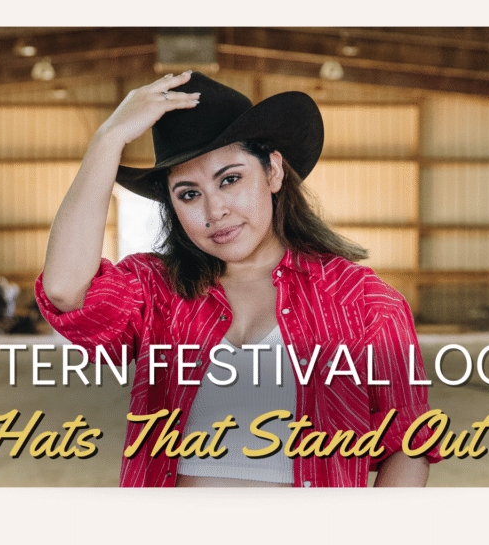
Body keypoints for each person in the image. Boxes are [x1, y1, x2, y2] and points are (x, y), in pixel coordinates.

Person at [36, 71, 441, 487]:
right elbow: (67, 290)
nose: (215, 211)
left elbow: (408, 444)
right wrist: (107, 139)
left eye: (230, 179)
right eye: (188, 194)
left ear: (273, 172)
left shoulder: (364, 302)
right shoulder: (157, 290)